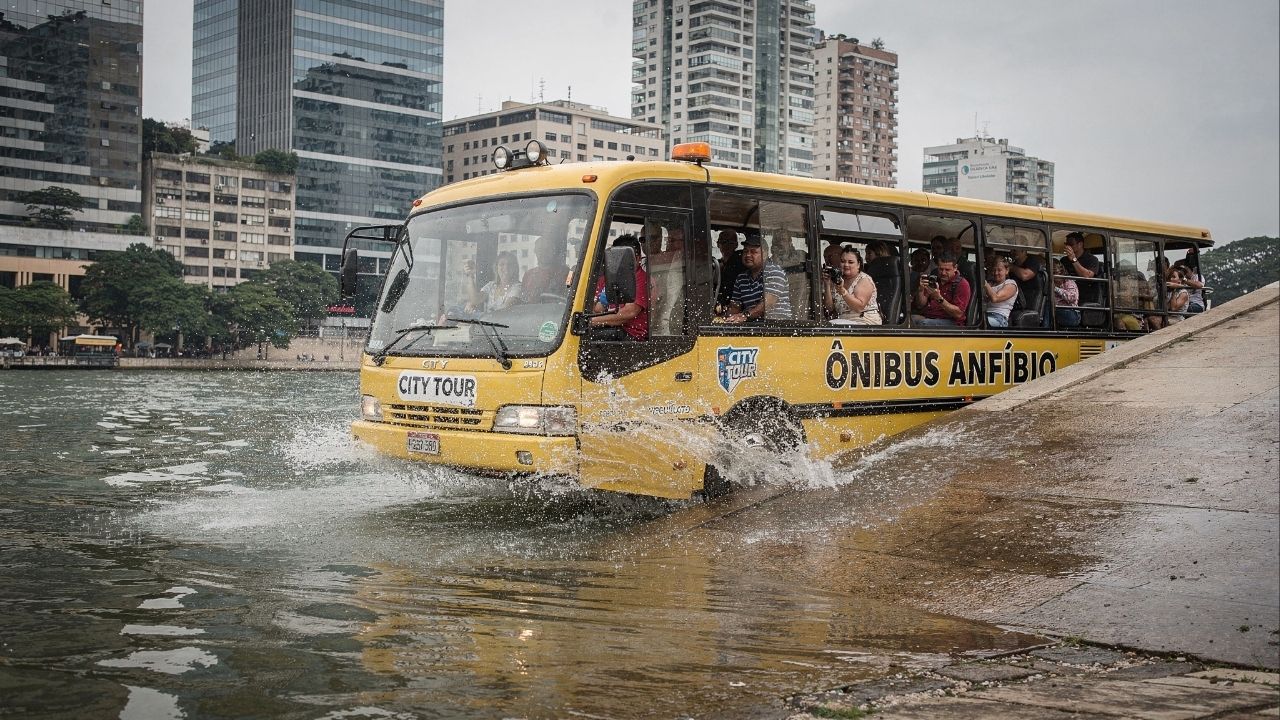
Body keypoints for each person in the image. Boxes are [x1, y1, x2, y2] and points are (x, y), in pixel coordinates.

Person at [590, 235, 649, 340]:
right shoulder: (608, 278)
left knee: (586, 338)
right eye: (616, 258)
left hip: (631, 335)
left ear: (638, 258)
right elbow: (597, 309)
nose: (619, 263)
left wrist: (591, 322)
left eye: (624, 259)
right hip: (611, 328)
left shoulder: (642, 279)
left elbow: (629, 312)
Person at [722, 236, 791, 323]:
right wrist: (725, 319)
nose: (748, 255)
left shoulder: (774, 272)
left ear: (765, 254)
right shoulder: (741, 278)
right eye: (745, 251)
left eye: (753, 252)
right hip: (754, 327)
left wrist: (745, 315)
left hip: (778, 328)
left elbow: (767, 304)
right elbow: (735, 307)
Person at [823, 246, 881, 325]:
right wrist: (827, 284)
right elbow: (829, 308)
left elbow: (859, 307)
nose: (846, 265)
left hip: (864, 322)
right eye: (843, 261)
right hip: (843, 322)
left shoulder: (864, 280)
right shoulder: (838, 280)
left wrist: (842, 291)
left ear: (858, 264)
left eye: (850, 262)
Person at [912, 253, 970, 327]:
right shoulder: (934, 279)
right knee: (909, 320)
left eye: (947, 270)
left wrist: (939, 298)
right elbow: (920, 305)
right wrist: (920, 290)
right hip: (930, 317)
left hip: (952, 322)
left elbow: (958, 314)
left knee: (923, 323)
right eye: (941, 269)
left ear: (955, 268)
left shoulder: (962, 284)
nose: (943, 273)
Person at [520, 234, 569, 303]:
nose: (543, 252)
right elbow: (522, 299)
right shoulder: (528, 275)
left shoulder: (567, 273)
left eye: (547, 249)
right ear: (535, 251)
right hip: (530, 312)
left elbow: (568, 295)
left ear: (553, 251)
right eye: (540, 249)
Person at [1062, 232, 1102, 304]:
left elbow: (1087, 276)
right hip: (1066, 294)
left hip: (1084, 296)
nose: (1068, 247)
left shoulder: (1092, 259)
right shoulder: (1064, 260)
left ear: (1080, 244)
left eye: (1071, 244)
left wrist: (1073, 259)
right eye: (1066, 244)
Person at [982, 256, 1019, 327]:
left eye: (999, 270)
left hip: (999, 318)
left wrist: (984, 282)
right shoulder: (990, 284)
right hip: (984, 315)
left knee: (981, 323)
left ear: (1007, 270)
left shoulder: (1011, 284)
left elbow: (995, 298)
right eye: (994, 270)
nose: (996, 273)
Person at [715, 230, 745, 310]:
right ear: (718, 244)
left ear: (736, 245)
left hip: (737, 306)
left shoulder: (741, 260)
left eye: (731, 242)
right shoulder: (715, 264)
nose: (727, 246)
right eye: (724, 242)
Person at [1051, 257, 1081, 327]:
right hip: (1056, 310)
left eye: (1054, 273)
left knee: (1050, 309)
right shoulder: (1049, 283)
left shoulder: (1069, 282)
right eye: (1051, 273)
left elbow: (1072, 298)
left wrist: (1056, 289)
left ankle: (1046, 328)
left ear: (1061, 272)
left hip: (1071, 313)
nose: (1053, 276)